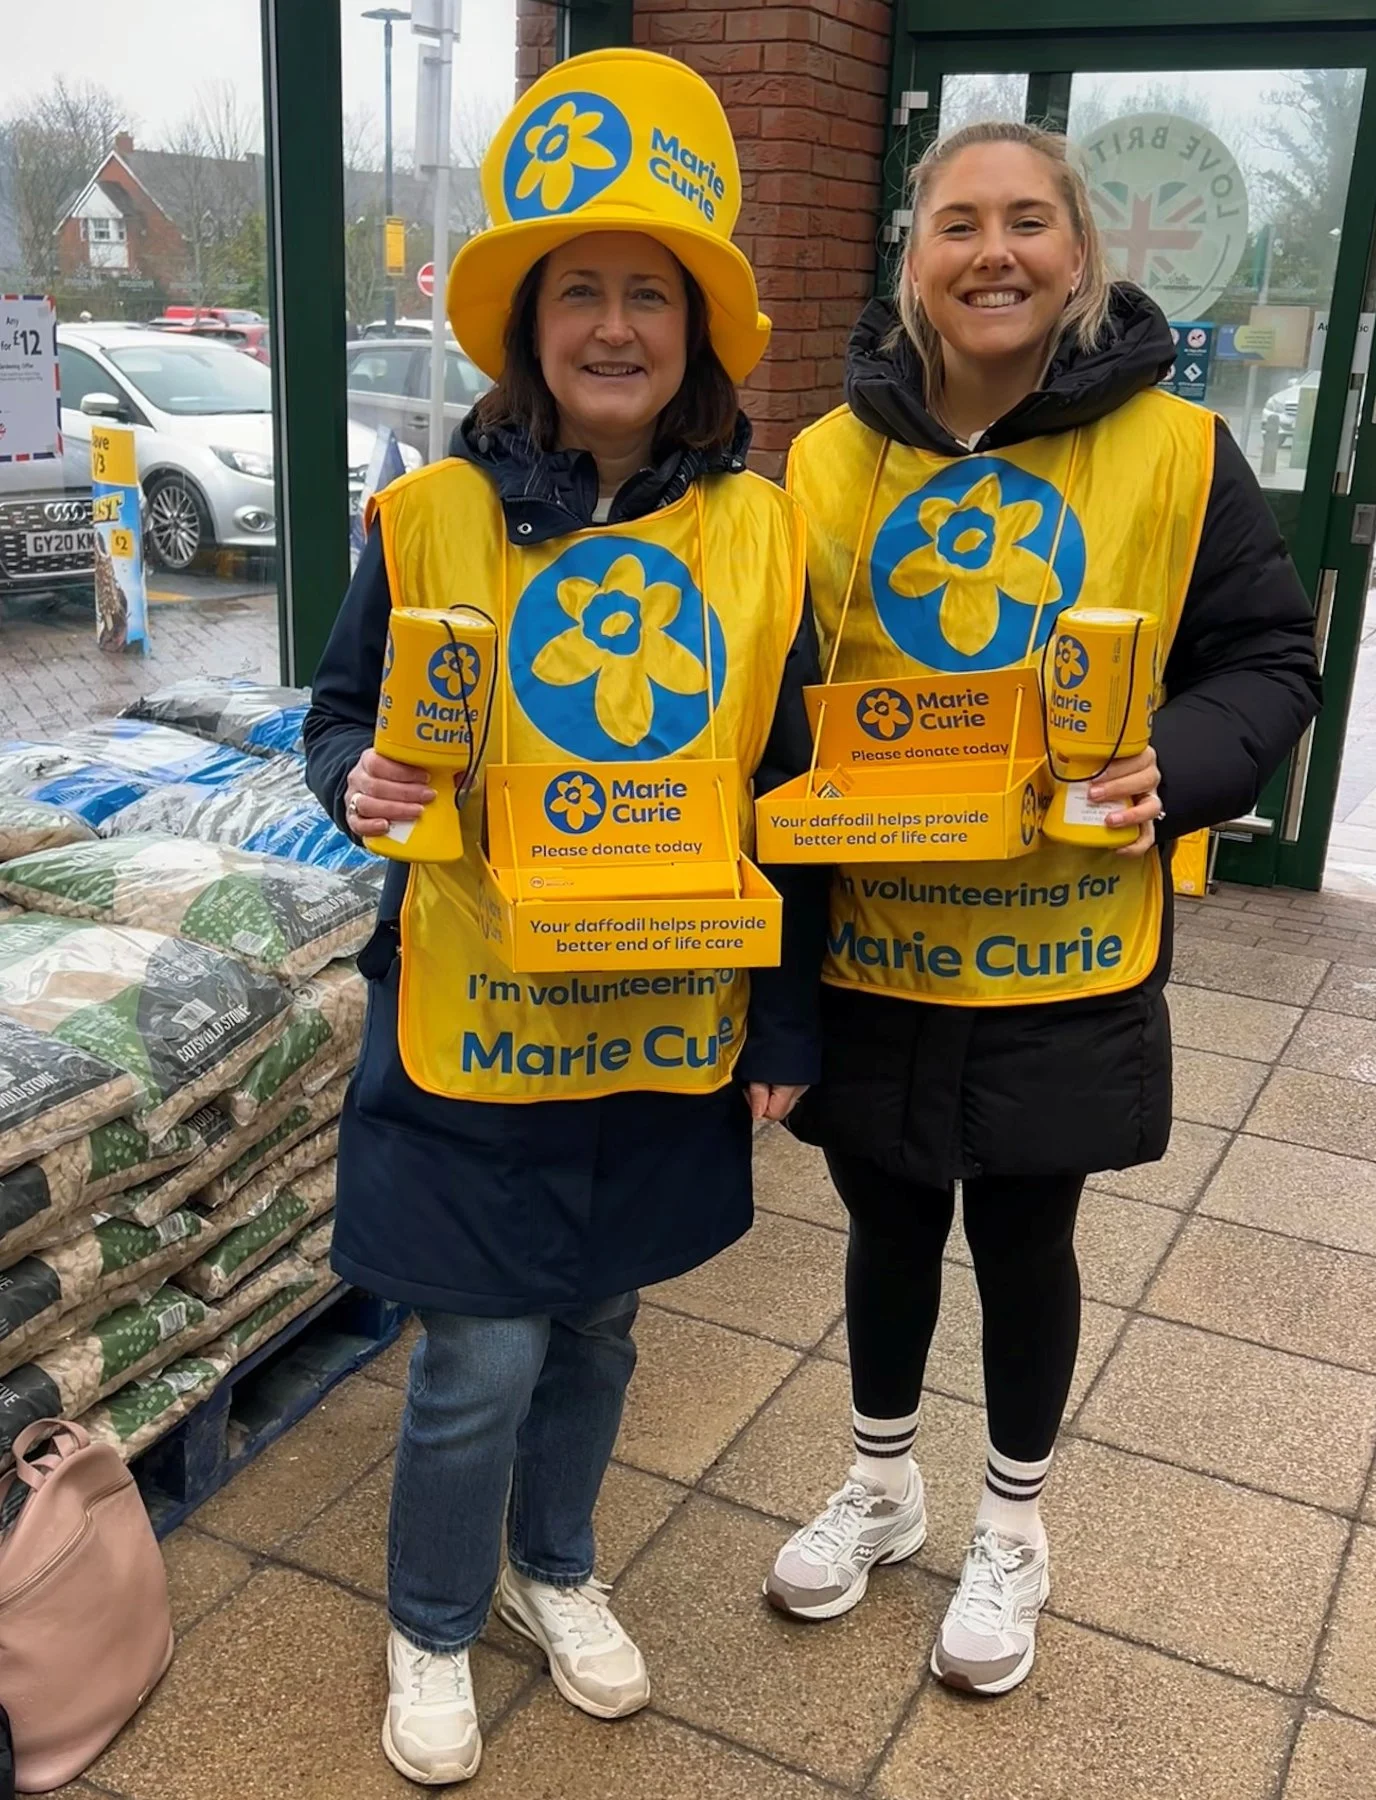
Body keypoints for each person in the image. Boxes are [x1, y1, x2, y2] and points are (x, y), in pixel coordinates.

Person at [304, 49, 822, 1786]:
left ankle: (555, 1568)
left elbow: (795, 792)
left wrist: (787, 1026)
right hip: (472, 1004)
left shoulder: (765, 540)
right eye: (576, 292)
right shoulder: (427, 517)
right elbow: (337, 718)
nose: (613, 326)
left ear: (697, 332)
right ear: (527, 329)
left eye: (647, 297)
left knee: (600, 1320)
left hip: (666, 1018)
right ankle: (434, 1624)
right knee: (479, 1345)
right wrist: (354, 786)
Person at [763, 121, 1321, 1697]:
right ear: (914, 261)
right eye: (958, 225)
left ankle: (1014, 1524)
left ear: (1079, 254)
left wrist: (1178, 766)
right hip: (881, 940)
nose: (992, 252)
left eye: (1026, 223)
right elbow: (780, 693)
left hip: (1062, 946)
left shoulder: (1175, 450)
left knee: (1023, 1229)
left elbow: (1269, 662)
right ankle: (882, 1484)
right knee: (882, 1218)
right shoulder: (825, 463)